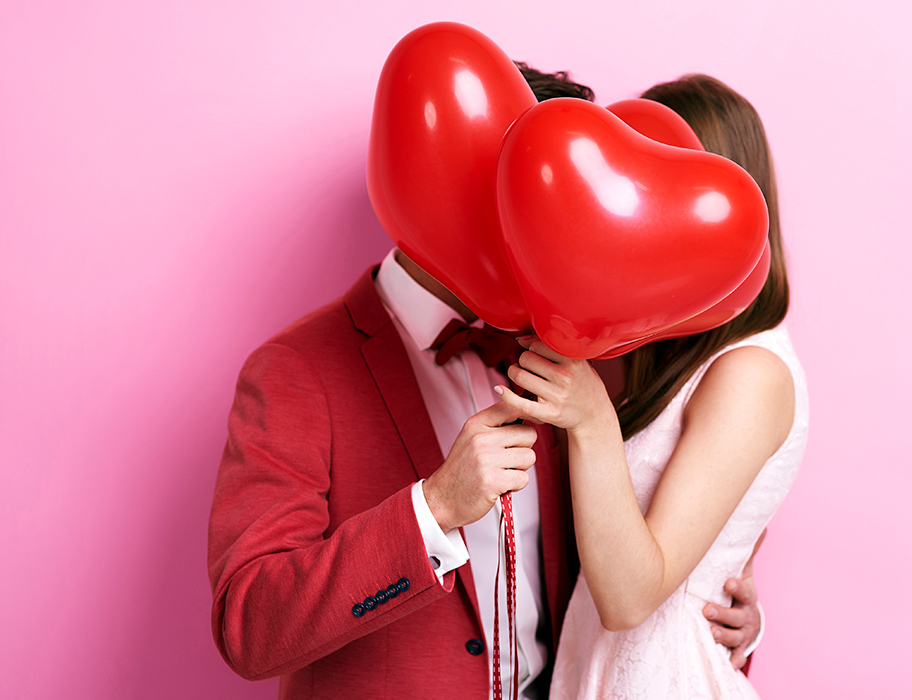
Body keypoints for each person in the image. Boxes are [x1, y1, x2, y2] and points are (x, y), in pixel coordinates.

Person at [207, 67, 762, 700]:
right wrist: (434, 506)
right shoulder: (297, 371)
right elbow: (250, 627)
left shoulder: (572, 354)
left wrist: (723, 608)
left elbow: (644, 524)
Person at [496, 74, 807, 699]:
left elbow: (632, 599)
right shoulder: (673, 349)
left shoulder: (751, 372)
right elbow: (723, 533)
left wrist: (590, 420)